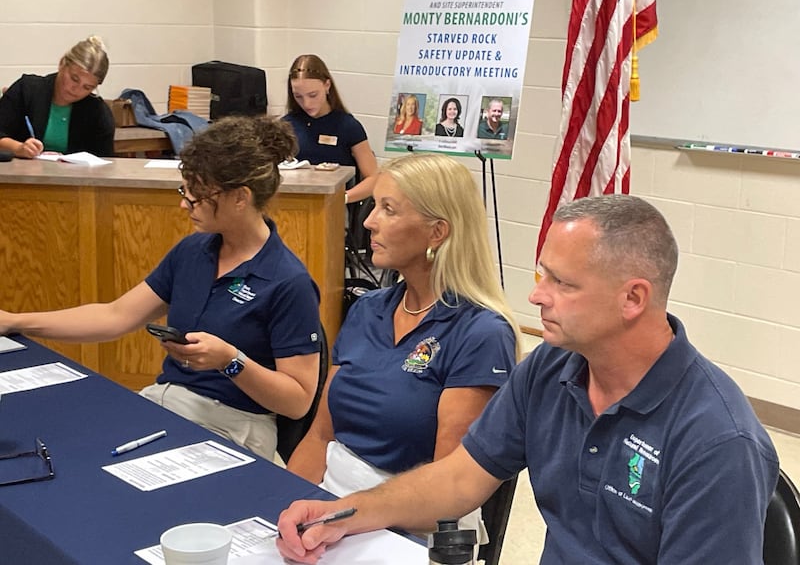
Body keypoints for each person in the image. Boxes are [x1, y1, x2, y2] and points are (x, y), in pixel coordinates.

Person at [276, 193, 780, 564]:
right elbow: (458, 478)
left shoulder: (718, 441)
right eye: (543, 275)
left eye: (562, 283)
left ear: (633, 299)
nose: (537, 297)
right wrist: (345, 513)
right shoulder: (552, 367)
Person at [0, 116, 322, 462]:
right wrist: (15, 321)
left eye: (196, 195)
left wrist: (231, 361)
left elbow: (298, 400)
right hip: (168, 404)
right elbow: (115, 315)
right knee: (67, 445)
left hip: (235, 425)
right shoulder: (193, 252)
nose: (185, 204)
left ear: (240, 198)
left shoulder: (288, 282)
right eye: (185, 190)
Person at [286, 152, 520, 542]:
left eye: (388, 210)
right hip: (329, 505)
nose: (368, 222)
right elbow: (320, 437)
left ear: (437, 232)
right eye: (374, 206)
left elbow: (447, 492)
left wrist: (342, 519)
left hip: (408, 523)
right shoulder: (367, 309)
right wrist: (284, 507)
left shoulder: (481, 333)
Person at [0, 35, 115, 158]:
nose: (76, 90)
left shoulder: (98, 112)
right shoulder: (27, 90)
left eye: (87, 87)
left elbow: (105, 162)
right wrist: (18, 148)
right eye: (74, 79)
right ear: (62, 63)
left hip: (73, 176)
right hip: (18, 174)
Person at [284, 54, 378, 205]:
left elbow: (374, 178)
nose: (307, 103)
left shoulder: (347, 126)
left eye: (313, 95)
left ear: (327, 85)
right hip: (293, 206)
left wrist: (343, 198)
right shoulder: (286, 126)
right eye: (298, 96)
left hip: (337, 206)